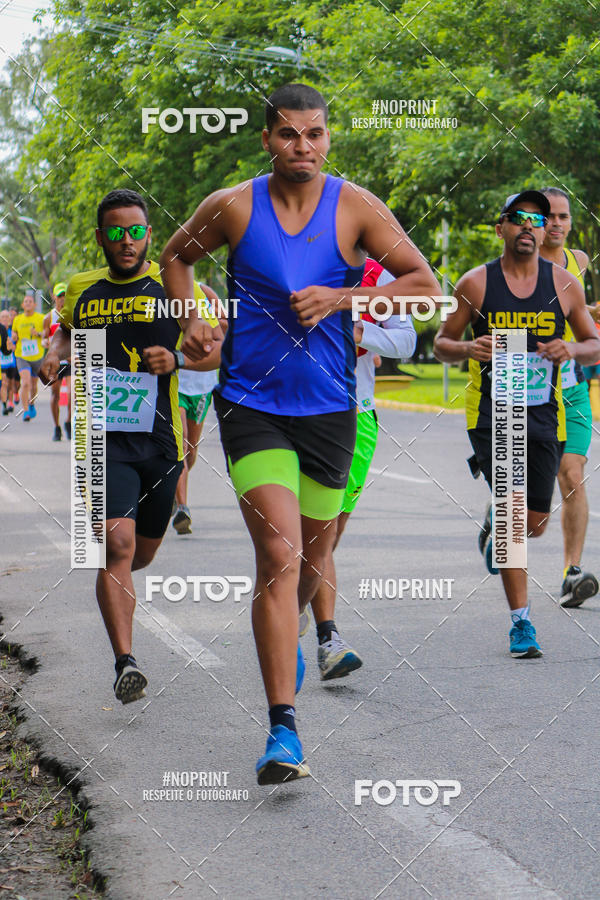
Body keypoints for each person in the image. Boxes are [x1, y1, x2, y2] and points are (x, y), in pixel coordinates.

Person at [160, 83, 439, 784]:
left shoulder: (355, 206)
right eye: (289, 135)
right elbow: (176, 256)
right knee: (279, 558)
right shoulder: (232, 205)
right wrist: (192, 314)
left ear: (327, 137)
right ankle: (283, 728)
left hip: (329, 407)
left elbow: (425, 284)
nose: (303, 147)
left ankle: (299, 637)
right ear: (267, 139)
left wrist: (345, 297)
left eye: (315, 134)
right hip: (251, 402)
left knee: (315, 559)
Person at [40, 188, 221, 704]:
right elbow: (66, 333)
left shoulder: (175, 288)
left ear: (149, 235)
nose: (126, 241)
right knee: (114, 546)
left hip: (161, 442)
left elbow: (215, 352)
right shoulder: (81, 288)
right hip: (99, 437)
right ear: (100, 237)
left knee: (139, 554)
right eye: (115, 232)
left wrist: (180, 362)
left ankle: (117, 579)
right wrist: (56, 354)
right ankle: (126, 662)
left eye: (136, 230)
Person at [434, 190, 600, 659]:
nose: (529, 226)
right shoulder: (476, 284)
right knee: (512, 516)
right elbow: (442, 341)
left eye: (538, 220)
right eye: (519, 219)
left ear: (545, 230)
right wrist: (468, 348)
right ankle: (521, 623)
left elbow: (592, 343)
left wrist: (571, 349)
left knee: (536, 521)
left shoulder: (566, 284)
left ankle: (498, 526)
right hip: (494, 412)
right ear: (501, 227)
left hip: (546, 412)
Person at [305, 258, 417, 679]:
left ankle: (298, 598)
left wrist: (361, 332)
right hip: (294, 410)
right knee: (310, 529)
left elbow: (406, 341)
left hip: (356, 414)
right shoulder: (293, 263)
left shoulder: (379, 277)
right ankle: (328, 638)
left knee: (327, 532)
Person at [538, 187, 599, 608]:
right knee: (525, 494)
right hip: (528, 389)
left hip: (573, 386)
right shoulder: (515, 263)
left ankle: (572, 571)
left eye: (563, 216)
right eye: (547, 217)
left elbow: (578, 318)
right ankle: (499, 518)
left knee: (572, 474)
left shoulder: (578, 261)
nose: (556, 223)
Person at [172, 284, 221, 535]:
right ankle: (182, 507)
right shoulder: (167, 297)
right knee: (180, 446)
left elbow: (223, 327)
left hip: (202, 385)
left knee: (191, 450)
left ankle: (173, 488)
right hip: (177, 382)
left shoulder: (206, 293)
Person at [42, 282, 72, 440]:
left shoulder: (73, 314)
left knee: (74, 394)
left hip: (71, 360)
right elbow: (44, 338)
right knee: (55, 394)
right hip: (55, 362)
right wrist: (44, 343)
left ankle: (68, 422)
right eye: (60, 295)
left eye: (65, 295)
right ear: (54, 297)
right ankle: (57, 427)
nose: (62, 298)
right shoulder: (48, 317)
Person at [11, 294, 45, 422]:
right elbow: (14, 332)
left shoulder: (41, 318)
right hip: (22, 356)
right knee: (25, 383)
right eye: (26, 301)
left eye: (30, 301)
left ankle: (31, 403)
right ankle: (25, 411)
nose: (28, 303)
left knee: (34, 385)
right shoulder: (17, 319)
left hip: (37, 357)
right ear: (22, 305)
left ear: (35, 305)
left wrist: (38, 333)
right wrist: (14, 336)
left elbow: (47, 335)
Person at [0, 309, 17, 415]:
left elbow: (13, 348)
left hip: (11, 361)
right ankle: (5, 405)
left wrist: (11, 347)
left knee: (11, 384)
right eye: (3, 317)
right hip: (1, 362)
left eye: (7, 316)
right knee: (4, 383)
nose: (5, 318)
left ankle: (11, 402)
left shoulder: (12, 331)